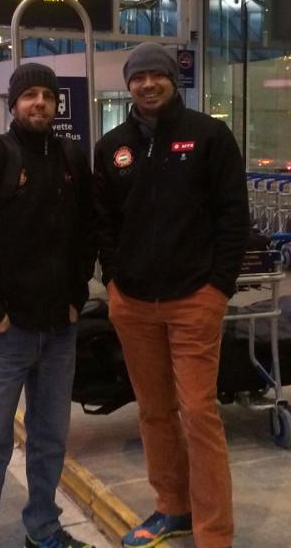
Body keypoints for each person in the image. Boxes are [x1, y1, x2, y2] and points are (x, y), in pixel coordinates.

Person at [93, 43, 249, 548]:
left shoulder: (209, 136)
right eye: (138, 78)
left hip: (192, 300)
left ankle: (214, 531)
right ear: (128, 85)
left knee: (198, 412)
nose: (147, 85)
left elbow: (232, 216)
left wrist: (217, 287)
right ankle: (171, 507)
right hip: (133, 302)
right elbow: (105, 222)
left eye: (156, 75)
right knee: (153, 411)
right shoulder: (112, 147)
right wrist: (113, 281)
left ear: (171, 80)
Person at [0, 63, 96, 548]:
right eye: (30, 95)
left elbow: (86, 234)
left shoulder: (71, 158)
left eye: (48, 96)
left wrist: (75, 297)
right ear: (13, 104)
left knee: (50, 440)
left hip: (58, 332)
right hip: (3, 336)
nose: (40, 104)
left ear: (57, 105)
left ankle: (43, 529)